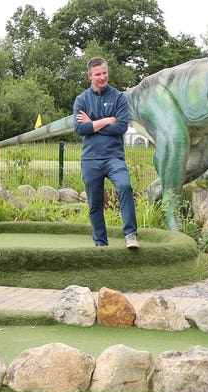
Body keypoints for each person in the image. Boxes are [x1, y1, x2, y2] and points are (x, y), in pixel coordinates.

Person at [73, 57, 139, 249]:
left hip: (113, 158)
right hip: (91, 159)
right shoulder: (82, 99)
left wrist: (92, 123)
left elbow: (121, 127)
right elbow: (79, 128)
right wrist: (106, 120)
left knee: (125, 187)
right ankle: (101, 244)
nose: (102, 77)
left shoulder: (119, 98)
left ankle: (130, 234)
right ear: (90, 76)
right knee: (95, 203)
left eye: (105, 73)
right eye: (98, 74)